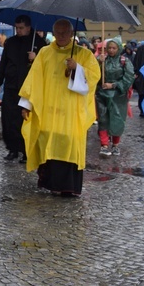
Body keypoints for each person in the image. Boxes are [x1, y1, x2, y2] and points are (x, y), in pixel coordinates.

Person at [18, 19, 100, 196]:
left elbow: (94, 77)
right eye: (58, 32)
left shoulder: (83, 54)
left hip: (71, 111)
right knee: (48, 142)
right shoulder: (45, 53)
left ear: (72, 34)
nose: (61, 36)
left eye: (65, 32)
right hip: (49, 109)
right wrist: (27, 104)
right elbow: (34, 80)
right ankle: (50, 183)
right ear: (53, 33)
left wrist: (77, 68)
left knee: (69, 143)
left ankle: (69, 187)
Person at [0, 15, 47, 163]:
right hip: (11, 86)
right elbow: (3, 64)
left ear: (29, 27)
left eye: (21, 28)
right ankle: (12, 149)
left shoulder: (40, 43)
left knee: (25, 119)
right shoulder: (10, 42)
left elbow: (46, 66)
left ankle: (26, 150)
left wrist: (36, 58)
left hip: (29, 88)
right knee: (9, 119)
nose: (19, 30)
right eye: (17, 28)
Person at [96, 37, 135, 156]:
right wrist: (98, 62)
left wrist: (113, 85)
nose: (111, 50)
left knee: (117, 119)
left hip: (118, 95)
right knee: (103, 119)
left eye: (114, 48)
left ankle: (115, 144)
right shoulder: (103, 60)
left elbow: (129, 78)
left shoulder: (124, 61)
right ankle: (104, 144)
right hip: (102, 94)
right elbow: (93, 74)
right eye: (109, 48)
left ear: (118, 49)